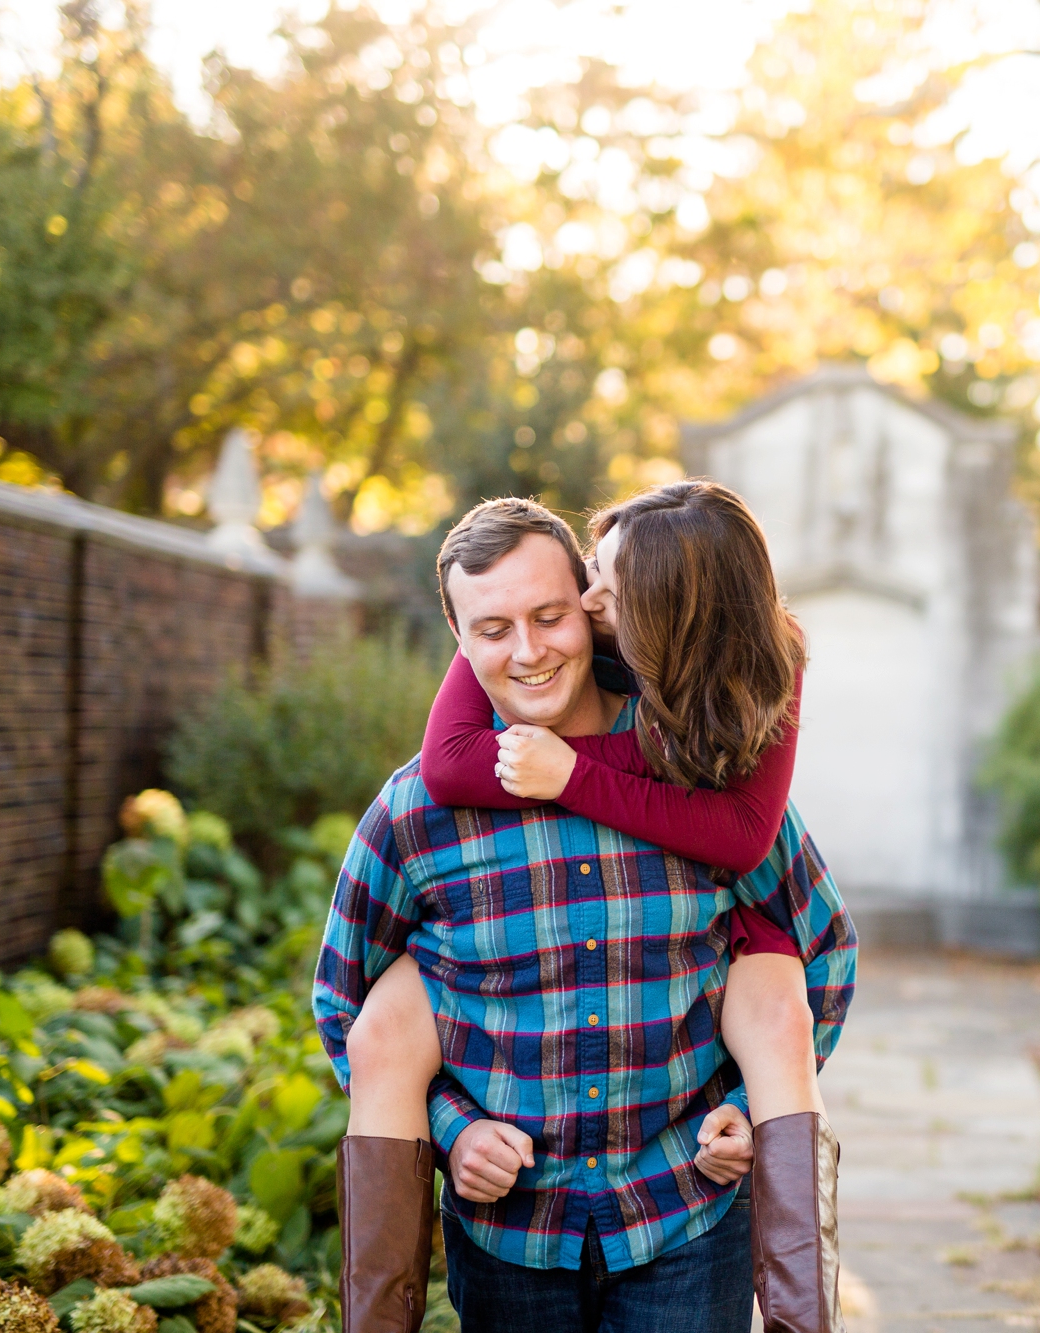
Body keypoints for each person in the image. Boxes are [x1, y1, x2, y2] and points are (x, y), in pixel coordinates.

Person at [313, 496, 856, 1333]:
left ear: (594, 611)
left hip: (686, 1210)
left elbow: (823, 952)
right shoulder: (417, 810)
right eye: (491, 629)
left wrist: (747, 1110)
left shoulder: (706, 765)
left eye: (549, 615)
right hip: (511, 1235)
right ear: (458, 639)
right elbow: (346, 1002)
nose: (527, 651)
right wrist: (454, 1132)